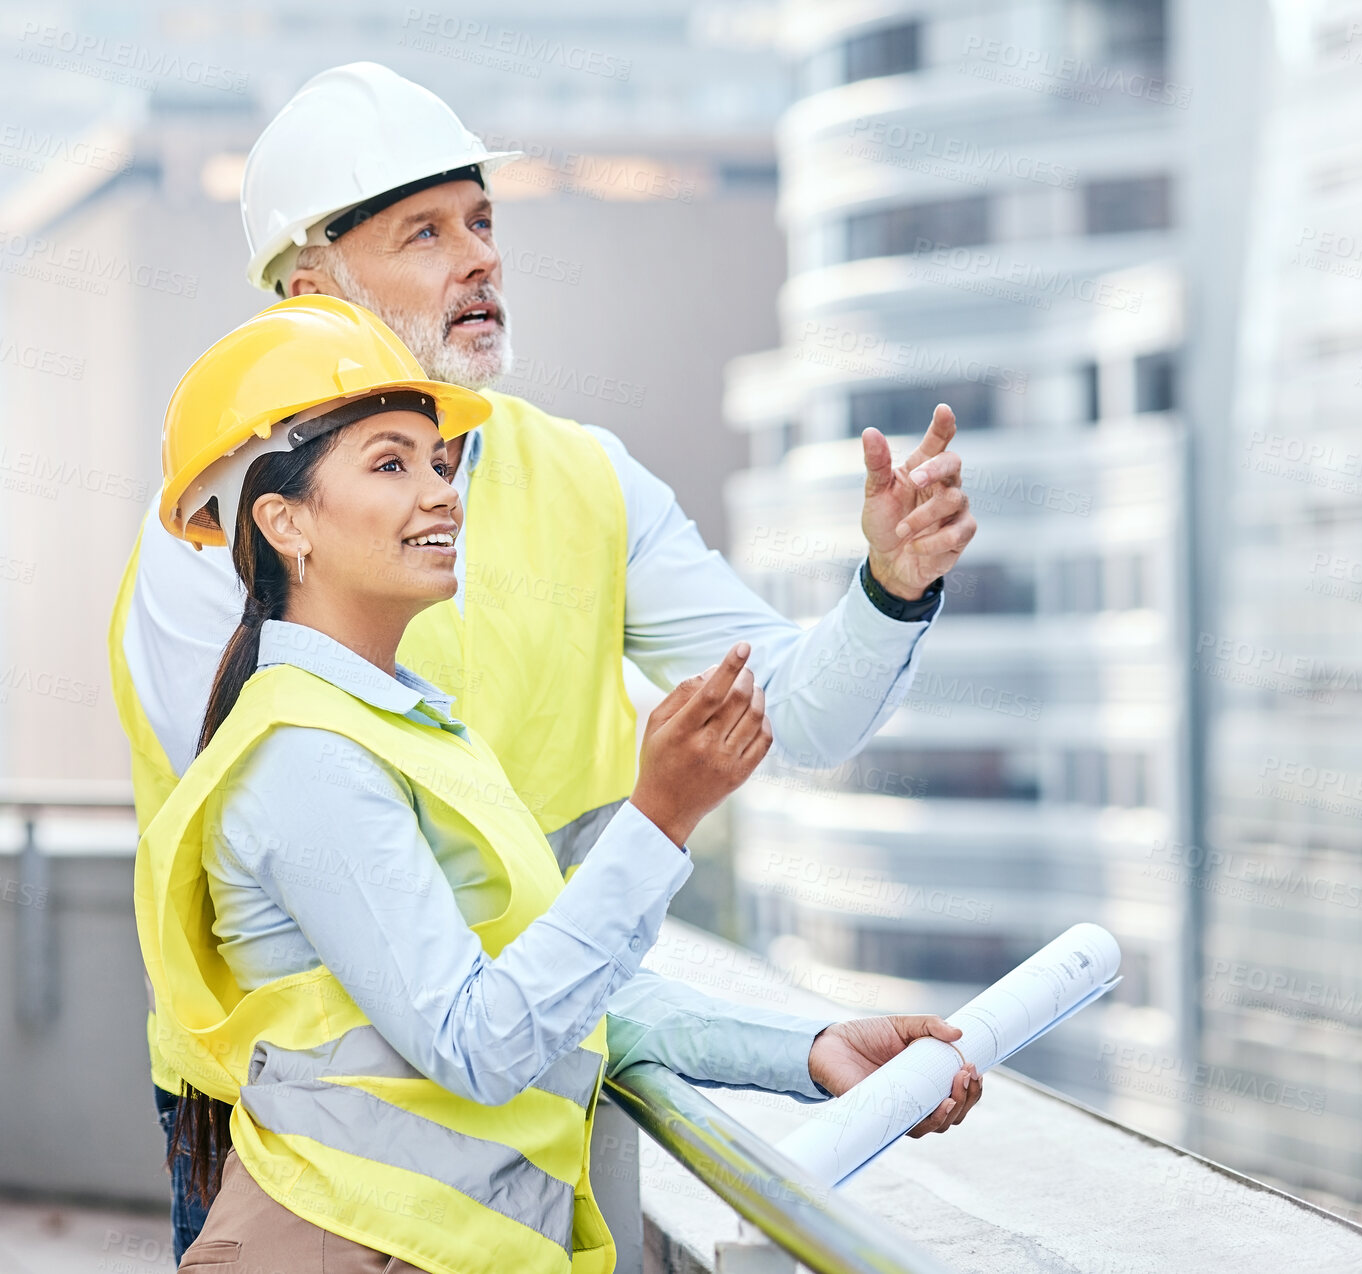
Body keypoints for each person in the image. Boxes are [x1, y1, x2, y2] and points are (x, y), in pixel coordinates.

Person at [107, 63, 979, 1258]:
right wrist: (662, 819)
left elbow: (791, 720)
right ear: (311, 287)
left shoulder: (582, 478)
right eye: (423, 230)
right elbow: (433, 986)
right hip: (304, 1147)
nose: (478, 259)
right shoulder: (224, 534)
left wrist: (887, 589)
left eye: (482, 221)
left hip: (495, 1147)